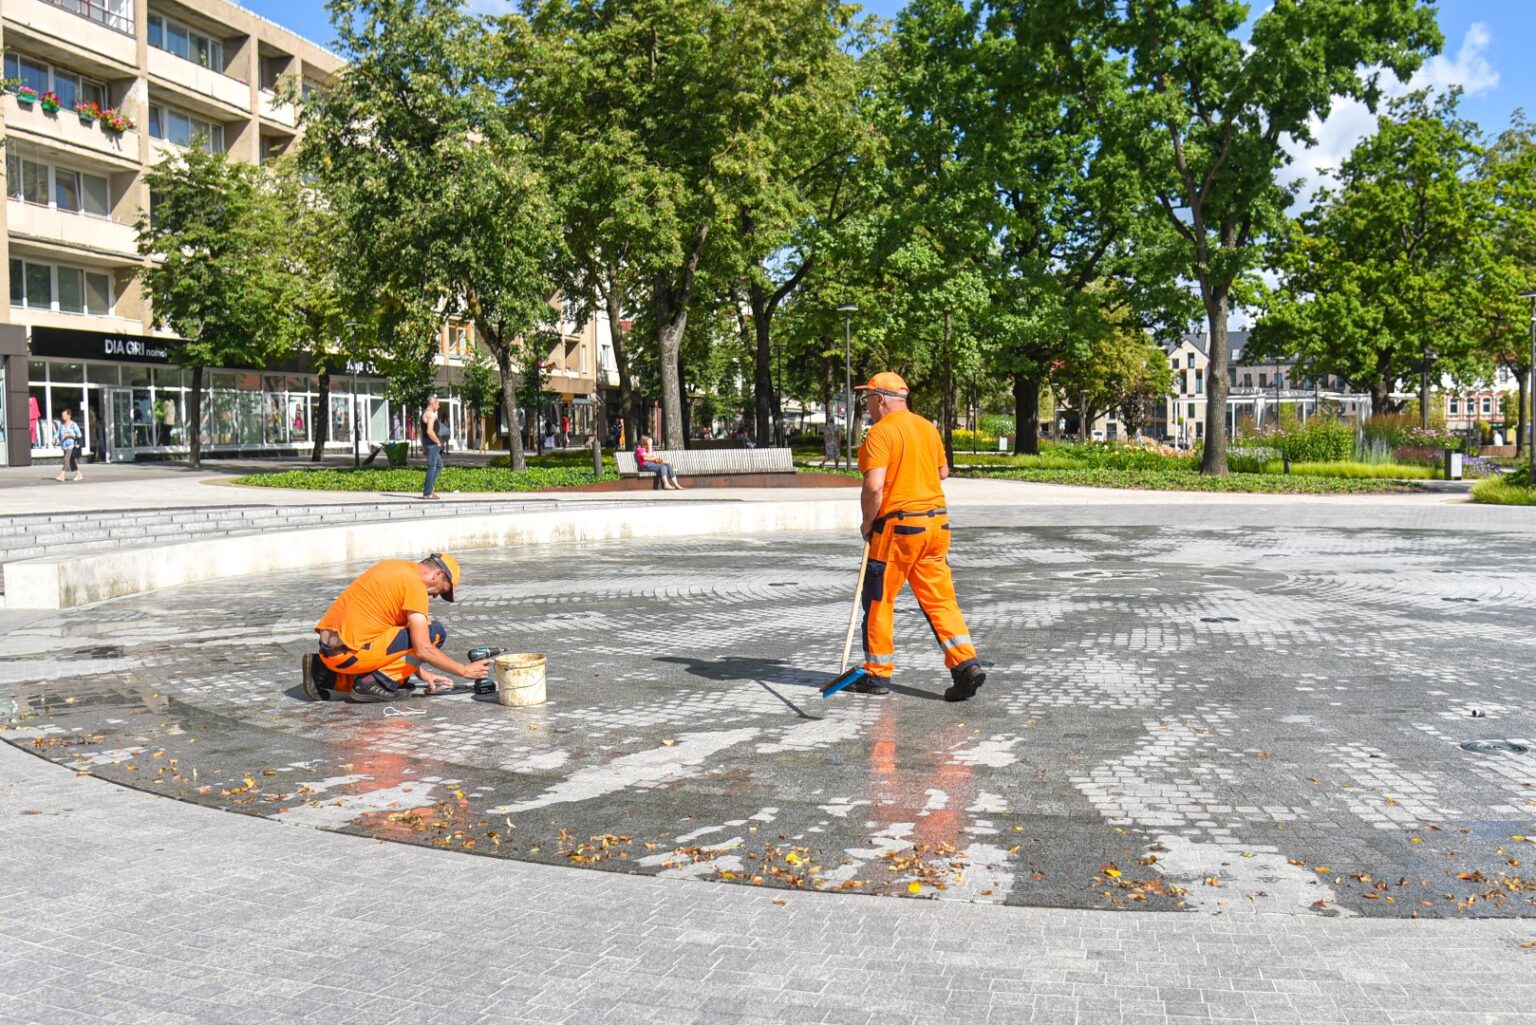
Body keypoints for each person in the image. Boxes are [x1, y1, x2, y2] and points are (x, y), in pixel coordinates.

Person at [853, 372, 985, 702]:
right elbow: (942, 472)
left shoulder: (880, 433)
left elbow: (873, 487)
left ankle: (876, 673)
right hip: (936, 526)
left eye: (868, 399)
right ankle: (965, 664)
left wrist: (868, 524)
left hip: (898, 529)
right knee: (940, 599)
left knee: (879, 600)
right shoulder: (927, 427)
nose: (867, 405)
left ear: (880, 399)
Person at [303, 553, 491, 702]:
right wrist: (464, 671)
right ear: (438, 574)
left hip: (331, 653)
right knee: (435, 633)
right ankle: (373, 684)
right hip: (350, 654)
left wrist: (421, 674)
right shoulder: (415, 586)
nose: (435, 597)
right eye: (442, 590)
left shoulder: (392, 567)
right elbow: (423, 648)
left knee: (400, 673)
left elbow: (400, 635)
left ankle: (323, 674)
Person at [421, 395, 444, 500]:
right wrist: (438, 442)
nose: (438, 406)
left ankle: (429, 487)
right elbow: (429, 431)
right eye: (438, 404)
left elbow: (422, 433)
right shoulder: (431, 415)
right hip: (433, 444)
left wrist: (424, 446)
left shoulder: (424, 413)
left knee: (439, 465)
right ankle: (427, 492)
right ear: (432, 403)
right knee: (432, 467)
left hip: (428, 444)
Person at [56, 408, 83, 482]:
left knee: (66, 459)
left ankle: (62, 475)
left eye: (64, 415)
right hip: (64, 446)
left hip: (71, 445)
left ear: (69, 415)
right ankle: (79, 474)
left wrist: (71, 435)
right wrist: (54, 438)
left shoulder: (73, 425)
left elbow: (79, 435)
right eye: (62, 415)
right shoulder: (61, 426)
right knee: (71, 461)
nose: (63, 416)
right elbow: (57, 433)